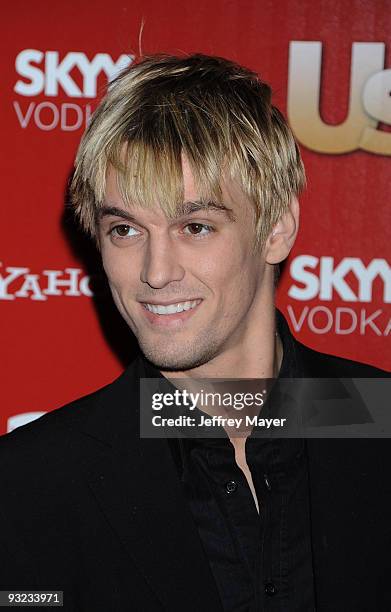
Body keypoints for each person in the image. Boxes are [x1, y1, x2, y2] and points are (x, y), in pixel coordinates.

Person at [0, 53, 390, 612]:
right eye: (125, 229)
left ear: (277, 228)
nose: (156, 272)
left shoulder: (381, 425)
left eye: (196, 226)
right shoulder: (28, 486)